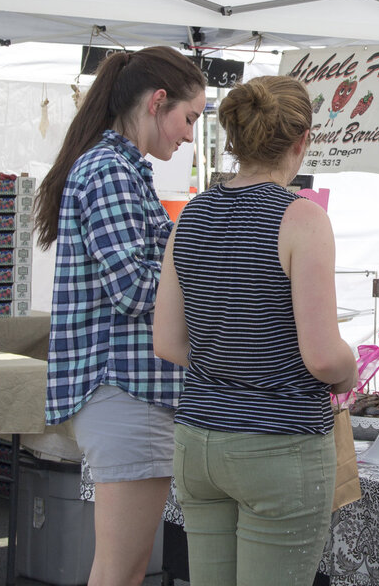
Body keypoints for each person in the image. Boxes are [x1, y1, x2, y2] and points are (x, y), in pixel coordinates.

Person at [153, 75, 358, 586]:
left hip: (199, 439)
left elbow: (168, 342)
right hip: (278, 442)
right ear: (302, 141)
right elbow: (323, 357)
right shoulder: (303, 218)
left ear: (233, 142)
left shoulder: (193, 213)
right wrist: (349, 370)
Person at [34, 46, 207, 586]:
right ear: (158, 102)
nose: (187, 136)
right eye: (189, 118)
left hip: (129, 391)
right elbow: (133, 289)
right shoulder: (110, 169)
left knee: (124, 568)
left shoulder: (119, 167)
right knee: (120, 570)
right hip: (126, 390)